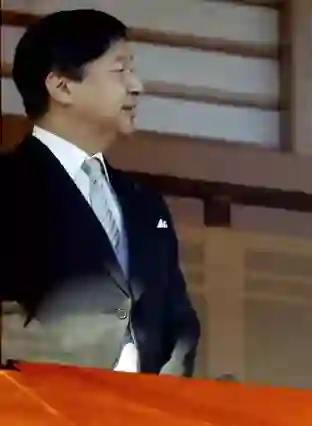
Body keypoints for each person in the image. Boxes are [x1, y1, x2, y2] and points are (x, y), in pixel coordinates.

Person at [0, 9, 200, 377]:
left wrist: (168, 388)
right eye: (120, 70)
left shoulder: (146, 204)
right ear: (62, 87)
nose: (137, 86)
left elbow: (178, 321)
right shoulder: (7, 184)